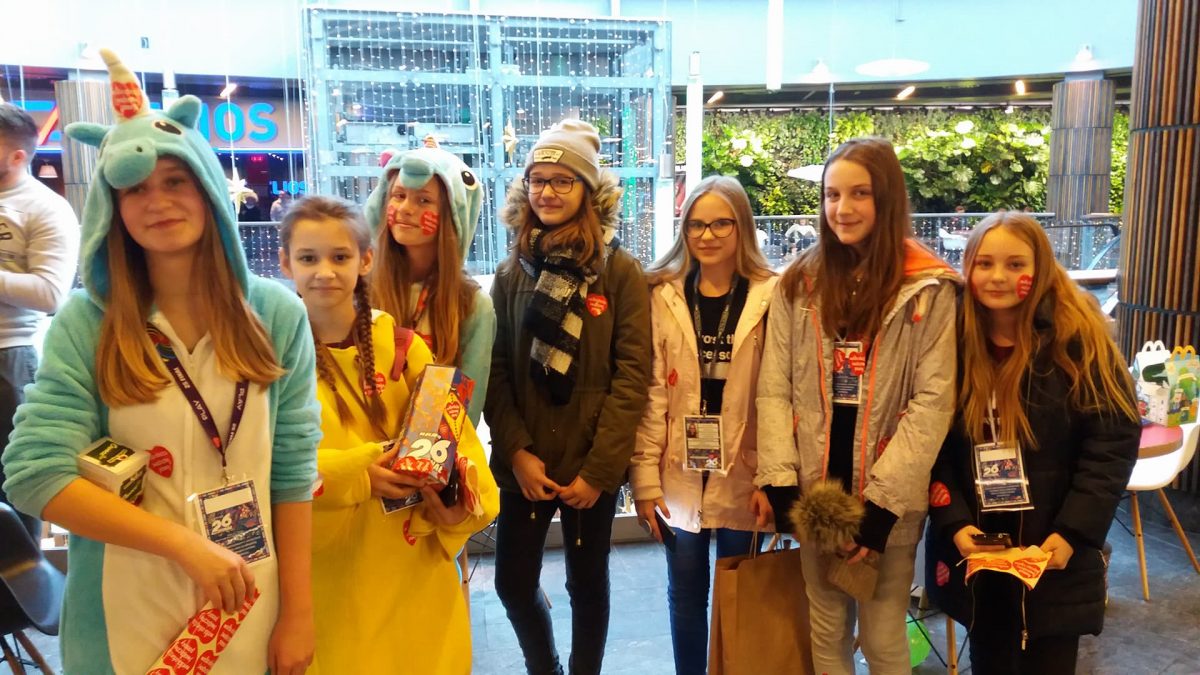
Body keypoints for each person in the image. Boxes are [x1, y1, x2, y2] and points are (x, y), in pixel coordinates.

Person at [0, 50, 320, 674]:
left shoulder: (276, 314)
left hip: (248, 605)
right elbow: (34, 475)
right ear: (113, 208)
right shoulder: (89, 322)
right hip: (123, 615)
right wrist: (183, 546)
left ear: (208, 189)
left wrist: (299, 612)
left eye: (175, 181)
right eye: (136, 189)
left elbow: (292, 471)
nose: (157, 202)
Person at [756, 136, 959, 674]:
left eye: (859, 193)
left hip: (888, 497)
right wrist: (780, 483)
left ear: (886, 197)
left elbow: (933, 402)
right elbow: (774, 386)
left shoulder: (928, 287)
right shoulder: (800, 282)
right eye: (832, 195)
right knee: (826, 633)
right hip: (816, 492)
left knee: (883, 638)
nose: (842, 208)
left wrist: (880, 511)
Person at [278, 195, 499, 674]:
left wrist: (457, 504)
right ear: (285, 263)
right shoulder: (267, 359)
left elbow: (466, 455)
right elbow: (261, 472)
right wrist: (358, 476)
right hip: (327, 591)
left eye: (340, 257)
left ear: (366, 261)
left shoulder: (404, 349)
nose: (324, 272)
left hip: (415, 584)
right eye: (308, 258)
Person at [925, 211, 1140, 674]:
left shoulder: (1078, 340)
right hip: (980, 552)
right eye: (984, 263)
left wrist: (1074, 532)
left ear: (1039, 268)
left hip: (1054, 550)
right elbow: (930, 445)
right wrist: (955, 523)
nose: (998, 276)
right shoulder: (949, 341)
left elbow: (1112, 441)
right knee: (989, 658)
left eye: (1015, 264)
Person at [485, 119, 651, 675]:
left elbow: (632, 376)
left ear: (587, 190)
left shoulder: (619, 272)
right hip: (526, 462)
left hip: (589, 462)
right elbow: (496, 370)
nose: (547, 192)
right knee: (513, 583)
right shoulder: (511, 272)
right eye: (538, 180)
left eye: (562, 181)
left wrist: (600, 471)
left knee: (588, 586)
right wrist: (516, 452)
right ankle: (546, 668)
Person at [631, 175, 778, 674]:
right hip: (679, 470)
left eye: (721, 224)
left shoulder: (771, 295)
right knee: (686, 594)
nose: (707, 235)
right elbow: (652, 394)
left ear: (742, 227)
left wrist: (773, 479)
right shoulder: (663, 295)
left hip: (745, 470)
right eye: (696, 224)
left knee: (740, 595)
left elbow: (780, 397)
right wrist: (645, 480)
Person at [362, 146, 495, 425]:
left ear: (451, 215)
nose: (405, 209)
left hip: (435, 446)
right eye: (399, 196)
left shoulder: (471, 304)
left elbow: (464, 413)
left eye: (424, 200)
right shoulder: (361, 290)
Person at [0, 102, 80, 542]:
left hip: (9, 355)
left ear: (17, 156)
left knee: (13, 489)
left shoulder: (45, 208)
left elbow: (50, 292)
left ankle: (23, 581)